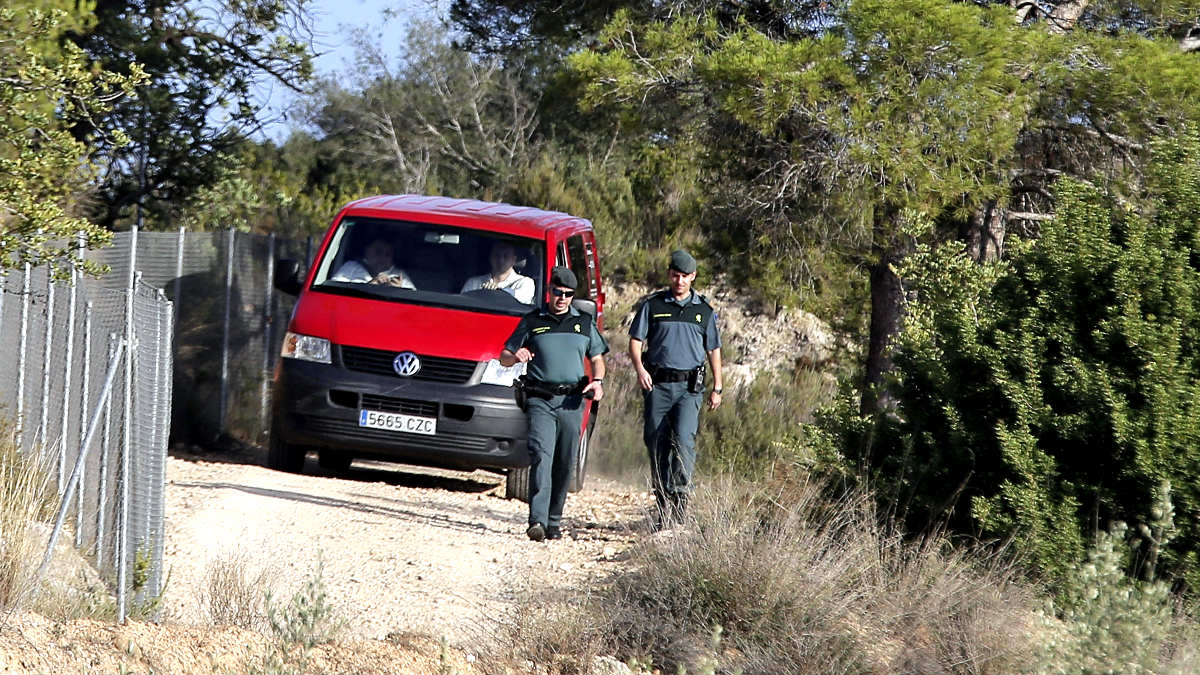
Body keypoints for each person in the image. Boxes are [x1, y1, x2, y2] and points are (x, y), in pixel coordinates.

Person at [500, 266, 607, 541]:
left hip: (572, 401)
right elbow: (504, 355)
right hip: (541, 399)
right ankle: (536, 520)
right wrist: (516, 356)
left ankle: (554, 520)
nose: (562, 298)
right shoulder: (533, 320)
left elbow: (597, 358)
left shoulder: (583, 323)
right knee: (541, 455)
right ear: (549, 291)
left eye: (568, 294)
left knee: (564, 461)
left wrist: (598, 382)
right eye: (557, 292)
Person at [628, 249, 723, 529]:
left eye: (685, 276)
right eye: (675, 275)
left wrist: (718, 386)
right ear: (669, 274)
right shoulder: (653, 305)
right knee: (656, 443)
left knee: (683, 442)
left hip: (689, 389)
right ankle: (662, 503)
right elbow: (635, 341)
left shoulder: (703, 311)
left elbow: (713, 349)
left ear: (693, 277)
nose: (680, 280)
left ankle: (680, 505)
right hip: (658, 385)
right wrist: (640, 370)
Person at [461, 240, 535, 304]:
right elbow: (462, 305)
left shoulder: (525, 282)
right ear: (490, 257)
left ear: (514, 260)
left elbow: (521, 300)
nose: (500, 260)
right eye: (497, 255)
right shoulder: (474, 282)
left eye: (506, 256)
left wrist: (496, 292)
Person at [331, 237, 415, 288]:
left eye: (388, 254)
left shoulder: (400, 275)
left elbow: (412, 302)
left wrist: (398, 291)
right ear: (366, 251)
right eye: (378, 252)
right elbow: (332, 291)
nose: (383, 257)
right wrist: (368, 287)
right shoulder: (351, 266)